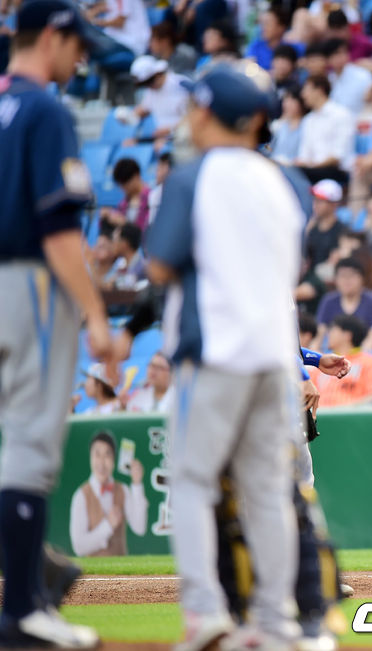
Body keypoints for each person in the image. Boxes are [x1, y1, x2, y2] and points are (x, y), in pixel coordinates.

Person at [145, 65, 305, 649]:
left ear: (208, 112)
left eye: (196, 106)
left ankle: (204, 611)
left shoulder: (193, 176)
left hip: (213, 348)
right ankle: (275, 621)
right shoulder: (287, 180)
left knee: (192, 481)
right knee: (266, 491)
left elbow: (159, 264)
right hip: (273, 354)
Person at [0, 1, 113, 647]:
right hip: (27, 286)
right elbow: (60, 230)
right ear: (53, 36)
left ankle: (33, 576)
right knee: (28, 448)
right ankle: (23, 608)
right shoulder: (44, 109)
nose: (82, 57)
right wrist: (95, 313)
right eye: (77, 44)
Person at [70, 431, 148, 557]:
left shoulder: (123, 490)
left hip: (121, 568)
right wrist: (108, 525)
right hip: (92, 569)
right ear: (90, 458)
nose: (101, 462)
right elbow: (78, 547)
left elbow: (140, 528)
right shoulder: (80, 496)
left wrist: (137, 484)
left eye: (107, 455)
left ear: (114, 459)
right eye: (97, 454)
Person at [310, 315, 372, 406]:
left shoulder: (369, 362)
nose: (329, 334)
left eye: (333, 330)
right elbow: (308, 395)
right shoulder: (323, 362)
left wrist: (348, 409)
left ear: (347, 335)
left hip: (352, 414)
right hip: (320, 414)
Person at [296, 74, 355, 185]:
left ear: (319, 90)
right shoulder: (308, 120)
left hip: (336, 172)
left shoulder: (341, 114)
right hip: (312, 171)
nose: (303, 95)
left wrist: (311, 166)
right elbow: (304, 155)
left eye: (306, 90)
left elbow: (337, 157)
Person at [316, 257, 372, 345]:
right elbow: (321, 331)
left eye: (351, 276)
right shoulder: (329, 301)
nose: (347, 280)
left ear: (362, 279)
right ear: (335, 279)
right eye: (342, 276)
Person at [129, 54, 189, 146]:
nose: (148, 86)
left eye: (149, 81)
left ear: (158, 74)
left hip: (184, 138)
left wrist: (170, 129)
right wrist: (127, 116)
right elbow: (143, 110)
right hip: (163, 139)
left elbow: (193, 117)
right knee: (129, 143)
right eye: (143, 84)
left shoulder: (180, 85)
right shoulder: (150, 91)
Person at [325, 38, 372, 120]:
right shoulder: (328, 79)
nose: (340, 57)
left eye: (343, 53)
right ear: (328, 59)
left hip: (360, 120)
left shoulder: (363, 75)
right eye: (336, 54)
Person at [100, 158, 151, 232]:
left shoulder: (151, 198)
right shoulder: (124, 203)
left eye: (125, 184)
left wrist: (125, 224)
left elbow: (147, 229)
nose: (123, 188)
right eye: (120, 185)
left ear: (136, 176)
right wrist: (107, 216)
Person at [246, 6, 304, 71]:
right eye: (261, 24)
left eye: (267, 23)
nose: (262, 28)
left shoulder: (293, 46)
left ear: (281, 27)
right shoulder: (256, 46)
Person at [85, 0, 150, 57]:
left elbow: (119, 22)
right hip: (117, 40)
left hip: (131, 43)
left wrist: (94, 21)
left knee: (93, 48)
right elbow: (102, 6)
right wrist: (93, 12)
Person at [305, 179, 345, 270]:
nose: (315, 205)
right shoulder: (311, 226)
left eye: (320, 201)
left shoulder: (342, 231)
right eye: (315, 200)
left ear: (334, 204)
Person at [270, 85, 307, 165]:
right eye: (285, 100)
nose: (287, 104)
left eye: (292, 100)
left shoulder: (307, 125)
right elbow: (270, 148)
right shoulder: (281, 126)